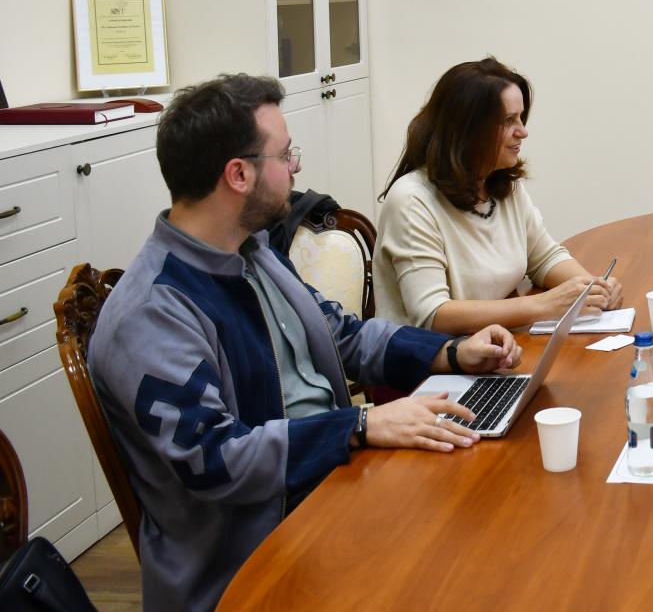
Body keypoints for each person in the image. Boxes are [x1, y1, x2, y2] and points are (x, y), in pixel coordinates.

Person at [89, 74, 522, 612]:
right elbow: (214, 458)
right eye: (285, 154)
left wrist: (451, 352)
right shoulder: (153, 312)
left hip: (326, 495)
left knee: (489, 528)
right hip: (249, 566)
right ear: (239, 174)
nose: (295, 168)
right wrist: (359, 426)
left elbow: (341, 333)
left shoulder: (253, 252)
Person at [373, 57, 621, 333]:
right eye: (508, 121)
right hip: (429, 366)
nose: (523, 132)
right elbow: (432, 315)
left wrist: (591, 288)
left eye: (521, 118)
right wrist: (545, 305)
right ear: (468, 130)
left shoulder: (501, 184)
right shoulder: (411, 201)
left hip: (494, 347)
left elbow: (544, 257)